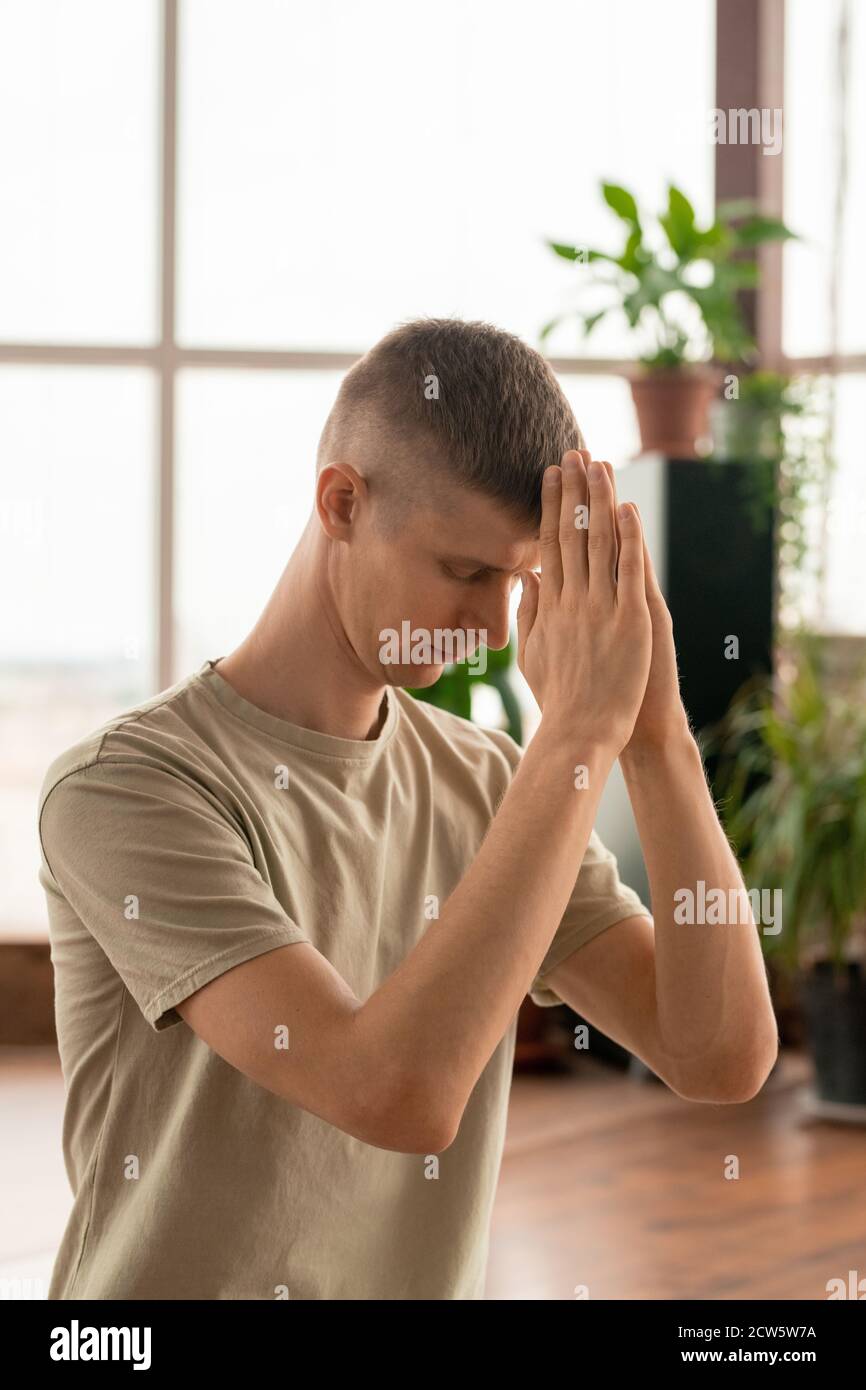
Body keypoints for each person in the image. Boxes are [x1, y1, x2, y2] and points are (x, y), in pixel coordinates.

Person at [38, 317, 778, 1300]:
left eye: (517, 580)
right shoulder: (127, 787)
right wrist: (573, 737)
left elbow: (717, 1054)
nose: (488, 625)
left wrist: (651, 732)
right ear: (342, 501)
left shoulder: (485, 782)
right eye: (465, 572)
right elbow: (393, 1091)